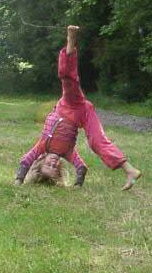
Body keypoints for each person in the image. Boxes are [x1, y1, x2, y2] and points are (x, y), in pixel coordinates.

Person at [14, 25, 142, 190]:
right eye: (55, 168)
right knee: (97, 142)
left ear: (40, 161)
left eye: (48, 166)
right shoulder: (67, 152)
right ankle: (130, 170)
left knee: (67, 78)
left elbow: (25, 161)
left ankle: (71, 42)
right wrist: (77, 185)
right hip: (83, 114)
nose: (53, 163)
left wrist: (18, 181)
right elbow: (81, 168)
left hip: (70, 105)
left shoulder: (42, 146)